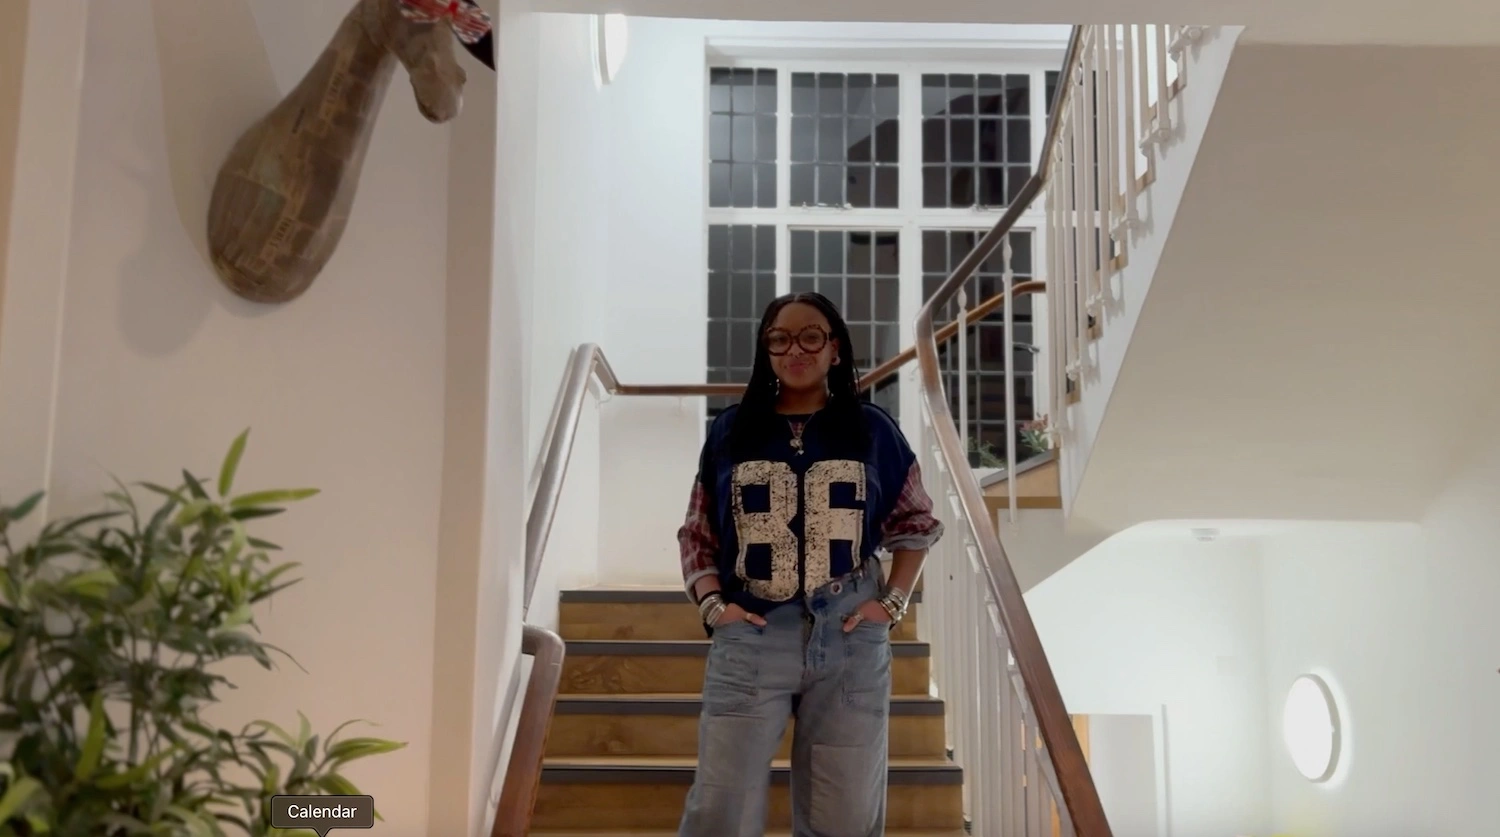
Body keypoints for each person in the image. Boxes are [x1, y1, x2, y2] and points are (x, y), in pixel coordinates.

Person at [676, 291, 945, 837]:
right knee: (720, 814)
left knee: (843, 817)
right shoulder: (731, 431)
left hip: (849, 637)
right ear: (766, 351)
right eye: (779, 338)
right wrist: (713, 605)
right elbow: (698, 531)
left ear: (836, 349)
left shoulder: (873, 429)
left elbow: (914, 523)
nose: (794, 348)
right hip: (750, 635)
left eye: (811, 336)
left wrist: (889, 604)